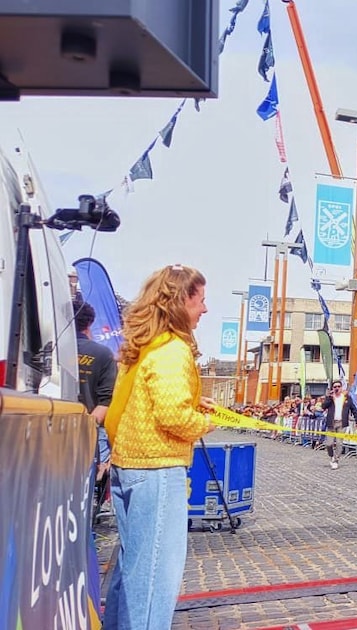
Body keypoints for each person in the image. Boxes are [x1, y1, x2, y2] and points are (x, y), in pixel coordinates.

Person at [103, 264, 215, 630]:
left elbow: (146, 404)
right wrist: (204, 422)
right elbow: (172, 416)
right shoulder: (172, 349)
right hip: (156, 468)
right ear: (182, 300)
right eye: (201, 300)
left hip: (130, 464)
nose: (204, 309)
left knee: (133, 567)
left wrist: (192, 405)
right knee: (154, 576)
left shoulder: (145, 345)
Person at [75, 301, 117, 513]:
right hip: (91, 430)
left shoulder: (50, 349)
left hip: (47, 430)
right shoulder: (102, 354)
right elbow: (106, 401)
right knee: (89, 484)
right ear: (89, 323)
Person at [322, 379, 356, 470]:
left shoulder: (346, 397)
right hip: (331, 423)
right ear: (333, 388)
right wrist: (330, 398)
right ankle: (332, 456)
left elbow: (353, 409)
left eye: (338, 386)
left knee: (339, 443)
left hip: (342, 423)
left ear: (341, 388)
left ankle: (336, 460)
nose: (337, 388)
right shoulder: (330, 397)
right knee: (329, 443)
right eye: (335, 387)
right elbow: (323, 406)